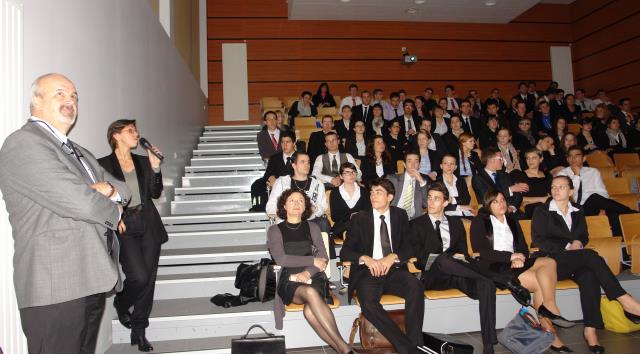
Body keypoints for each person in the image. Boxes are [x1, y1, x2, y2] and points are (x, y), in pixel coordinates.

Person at [0, 73, 131, 354]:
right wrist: (109, 204)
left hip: (91, 277)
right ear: (36, 101)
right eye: (60, 93)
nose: (70, 100)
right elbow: (81, 203)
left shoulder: (79, 152)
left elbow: (123, 189)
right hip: (55, 286)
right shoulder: (24, 143)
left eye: (73, 96)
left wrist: (105, 189)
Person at [413, 183, 527, 354]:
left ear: (446, 202)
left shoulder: (455, 222)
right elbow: (418, 260)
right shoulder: (415, 224)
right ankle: (501, 279)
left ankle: (489, 344)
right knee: (444, 258)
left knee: (486, 284)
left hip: (459, 273)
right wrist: (443, 258)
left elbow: (465, 254)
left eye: (436, 198)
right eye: (429, 198)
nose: (431, 202)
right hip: (433, 275)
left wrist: (460, 257)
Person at [533, 176, 640, 353]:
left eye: (561, 187)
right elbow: (539, 241)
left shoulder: (578, 209)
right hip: (551, 263)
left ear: (571, 191)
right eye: (553, 187)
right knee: (591, 256)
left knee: (589, 275)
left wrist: (578, 243)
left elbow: (583, 235)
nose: (556, 190)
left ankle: (590, 331)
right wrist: (568, 246)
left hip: (576, 260)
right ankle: (624, 300)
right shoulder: (542, 211)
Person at [470, 190, 573, 351]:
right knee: (540, 282)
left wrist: (521, 258)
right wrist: (510, 257)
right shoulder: (480, 221)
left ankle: (549, 307)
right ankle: (550, 328)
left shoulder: (512, 221)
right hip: (496, 265)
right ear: (488, 205)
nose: (501, 204)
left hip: (518, 262)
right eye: (495, 201)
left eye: (502, 200)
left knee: (549, 262)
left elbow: (523, 247)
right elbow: (481, 251)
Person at [98, 120, 168, 352]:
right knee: (138, 276)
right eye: (130, 130)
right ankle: (122, 301)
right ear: (116, 136)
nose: (136, 134)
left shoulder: (142, 161)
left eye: (136, 130)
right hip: (124, 225)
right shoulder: (103, 165)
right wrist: (114, 217)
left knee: (148, 279)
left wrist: (155, 167)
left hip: (148, 222)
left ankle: (139, 330)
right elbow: (100, 197)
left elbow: (156, 193)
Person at [340, 178, 425, 354]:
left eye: (378, 192)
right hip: (367, 272)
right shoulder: (360, 219)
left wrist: (392, 257)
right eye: (371, 192)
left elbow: (410, 246)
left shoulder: (400, 215)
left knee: (415, 286)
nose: (373, 196)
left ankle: (415, 342)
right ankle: (409, 349)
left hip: (393, 270)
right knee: (369, 305)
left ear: (390, 197)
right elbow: (345, 252)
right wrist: (366, 258)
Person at [267, 189, 356, 354]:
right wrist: (311, 261)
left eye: (301, 200)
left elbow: (323, 258)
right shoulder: (275, 230)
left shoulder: (313, 227)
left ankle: (342, 349)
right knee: (309, 293)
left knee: (310, 310)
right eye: (292, 200)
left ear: (305, 206)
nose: (296, 203)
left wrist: (307, 272)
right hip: (289, 279)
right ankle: (345, 348)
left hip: (314, 276)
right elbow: (282, 260)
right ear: (284, 206)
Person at [557, 145, 636, 236]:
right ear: (567, 159)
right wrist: (576, 175)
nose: (573, 158)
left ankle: (620, 243)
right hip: (574, 209)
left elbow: (603, 192)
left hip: (595, 205)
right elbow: (570, 195)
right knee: (594, 197)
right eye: (570, 156)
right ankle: (632, 212)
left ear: (584, 158)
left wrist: (602, 207)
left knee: (613, 213)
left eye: (577, 155)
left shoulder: (593, 172)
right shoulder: (562, 174)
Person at [267, 151, 327, 224]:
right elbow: (270, 206)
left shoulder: (317, 183)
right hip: (286, 221)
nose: (307, 165)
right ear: (294, 165)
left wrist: (314, 209)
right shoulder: (282, 182)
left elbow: (323, 206)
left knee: (323, 223)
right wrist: (287, 213)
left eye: (308, 162)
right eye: (302, 162)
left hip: (310, 221)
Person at [250, 131, 296, 211]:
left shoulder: (301, 157)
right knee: (256, 185)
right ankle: (258, 208)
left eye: (288, 142)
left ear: (294, 143)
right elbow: (267, 174)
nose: (284, 145)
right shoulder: (275, 158)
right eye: (282, 142)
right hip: (277, 187)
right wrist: (271, 177)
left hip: (295, 186)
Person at [472, 147, 528, 214]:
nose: (503, 161)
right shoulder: (478, 178)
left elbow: (518, 195)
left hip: (510, 211)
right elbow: (488, 197)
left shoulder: (505, 175)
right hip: (491, 212)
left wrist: (512, 207)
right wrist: (510, 190)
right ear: (491, 160)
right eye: (501, 159)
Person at [329, 162, 371, 237]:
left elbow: (368, 211)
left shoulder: (364, 191)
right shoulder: (335, 192)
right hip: (343, 227)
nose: (351, 175)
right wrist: (352, 216)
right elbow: (335, 216)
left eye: (353, 172)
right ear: (341, 176)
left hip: (362, 225)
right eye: (347, 173)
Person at [386, 152, 429, 220]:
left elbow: (426, 204)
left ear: (419, 165)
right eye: (409, 161)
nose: (413, 165)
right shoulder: (392, 179)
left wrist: (421, 182)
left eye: (416, 161)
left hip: (413, 220)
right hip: (393, 218)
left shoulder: (423, 182)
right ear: (404, 164)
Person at [511, 148, 552, 218]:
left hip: (549, 205)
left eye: (534, 158)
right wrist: (542, 199)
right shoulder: (519, 175)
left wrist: (531, 200)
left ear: (541, 159)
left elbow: (551, 195)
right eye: (528, 158)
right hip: (533, 209)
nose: (530, 161)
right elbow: (518, 198)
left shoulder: (548, 175)